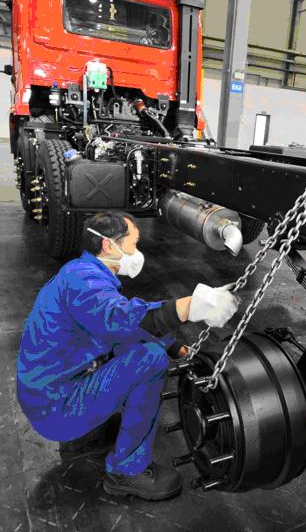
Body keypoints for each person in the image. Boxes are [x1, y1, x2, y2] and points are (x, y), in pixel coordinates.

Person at [16, 211, 239, 500]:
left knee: (135, 345)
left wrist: (175, 346)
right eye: (133, 244)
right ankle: (126, 470)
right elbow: (119, 319)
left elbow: (122, 324)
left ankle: (83, 436)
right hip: (55, 410)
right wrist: (192, 306)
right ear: (108, 245)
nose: (136, 253)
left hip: (48, 395)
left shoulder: (80, 271)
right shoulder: (85, 283)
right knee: (150, 359)